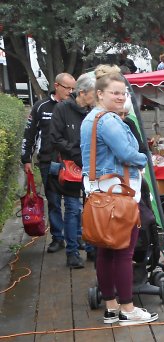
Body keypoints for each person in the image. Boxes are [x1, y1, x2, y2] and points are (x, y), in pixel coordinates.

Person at [80, 71, 156, 325]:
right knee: (124, 252)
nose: (121, 97)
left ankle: (111, 307)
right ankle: (128, 308)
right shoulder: (109, 120)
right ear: (99, 94)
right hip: (118, 194)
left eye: (123, 93)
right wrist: (144, 158)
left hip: (98, 194)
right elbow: (127, 153)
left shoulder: (90, 119)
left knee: (105, 252)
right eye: (115, 92)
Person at [21, 73, 76, 253]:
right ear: (56, 85)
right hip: (47, 161)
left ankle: (75, 238)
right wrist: (26, 159)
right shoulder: (41, 107)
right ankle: (57, 238)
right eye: (67, 88)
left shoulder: (74, 106)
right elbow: (29, 134)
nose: (71, 91)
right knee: (53, 202)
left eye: (73, 88)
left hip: (71, 162)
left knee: (73, 203)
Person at [48, 72, 96, 268]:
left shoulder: (92, 111)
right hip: (71, 166)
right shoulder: (62, 108)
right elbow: (55, 138)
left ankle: (92, 249)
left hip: (91, 167)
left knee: (92, 209)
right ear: (83, 93)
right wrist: (75, 153)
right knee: (72, 209)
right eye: (94, 92)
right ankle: (72, 252)